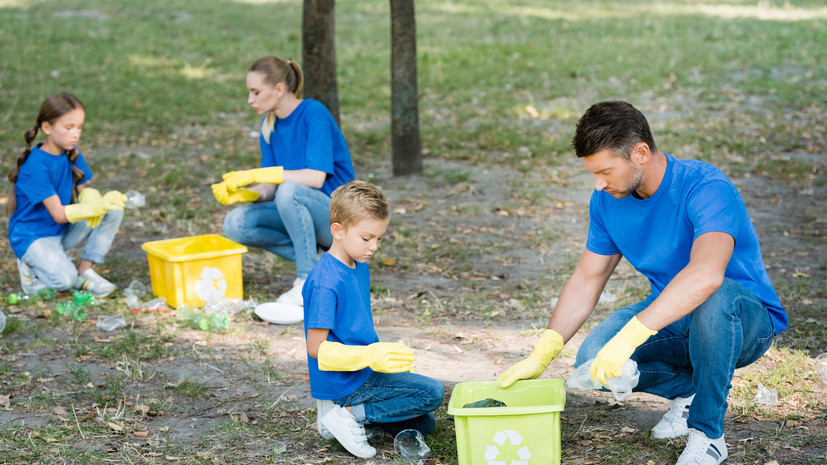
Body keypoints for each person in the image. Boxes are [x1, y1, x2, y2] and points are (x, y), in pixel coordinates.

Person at [498, 101, 786, 465]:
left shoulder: (706, 187)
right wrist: (544, 351)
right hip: (674, 316)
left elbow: (707, 275)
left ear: (640, 153)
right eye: (593, 174)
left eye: (605, 171)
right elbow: (589, 277)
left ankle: (708, 434)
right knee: (592, 362)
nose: (598, 184)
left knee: (715, 297)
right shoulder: (606, 201)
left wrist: (631, 336)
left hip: (743, 321)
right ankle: (688, 393)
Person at [303, 180, 444, 459]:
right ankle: (344, 414)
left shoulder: (357, 263)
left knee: (424, 424)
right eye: (367, 238)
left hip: (365, 368)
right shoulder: (325, 282)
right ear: (338, 230)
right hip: (346, 381)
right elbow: (314, 347)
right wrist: (370, 354)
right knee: (432, 394)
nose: (374, 246)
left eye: (379, 239)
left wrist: (376, 355)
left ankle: (357, 420)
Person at [212, 56, 356, 310]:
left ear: (279, 89)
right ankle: (329, 264)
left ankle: (307, 282)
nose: (250, 99)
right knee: (236, 223)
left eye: (256, 92)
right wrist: (244, 194)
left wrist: (257, 174)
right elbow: (270, 188)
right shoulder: (270, 126)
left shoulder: (314, 113)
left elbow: (315, 177)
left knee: (290, 192)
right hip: (299, 206)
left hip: (340, 218)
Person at [7, 93, 126, 298]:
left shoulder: (71, 151)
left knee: (113, 210)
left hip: (60, 232)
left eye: (79, 127)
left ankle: (85, 271)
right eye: (69, 127)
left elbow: (84, 188)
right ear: (47, 128)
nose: (76, 134)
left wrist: (98, 201)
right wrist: (93, 208)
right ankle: (31, 270)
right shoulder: (36, 165)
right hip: (33, 237)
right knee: (65, 281)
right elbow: (59, 214)